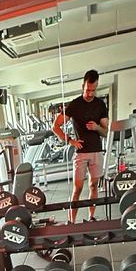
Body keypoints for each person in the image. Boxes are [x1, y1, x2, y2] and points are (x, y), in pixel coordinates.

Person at [52, 70, 108, 223]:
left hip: (97, 151)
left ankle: (91, 217)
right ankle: (71, 221)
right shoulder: (74, 105)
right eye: (87, 90)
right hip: (81, 152)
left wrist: (97, 127)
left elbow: (105, 132)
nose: (90, 93)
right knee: (77, 188)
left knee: (94, 185)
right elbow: (55, 126)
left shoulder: (100, 105)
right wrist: (70, 140)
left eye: (93, 90)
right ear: (83, 86)